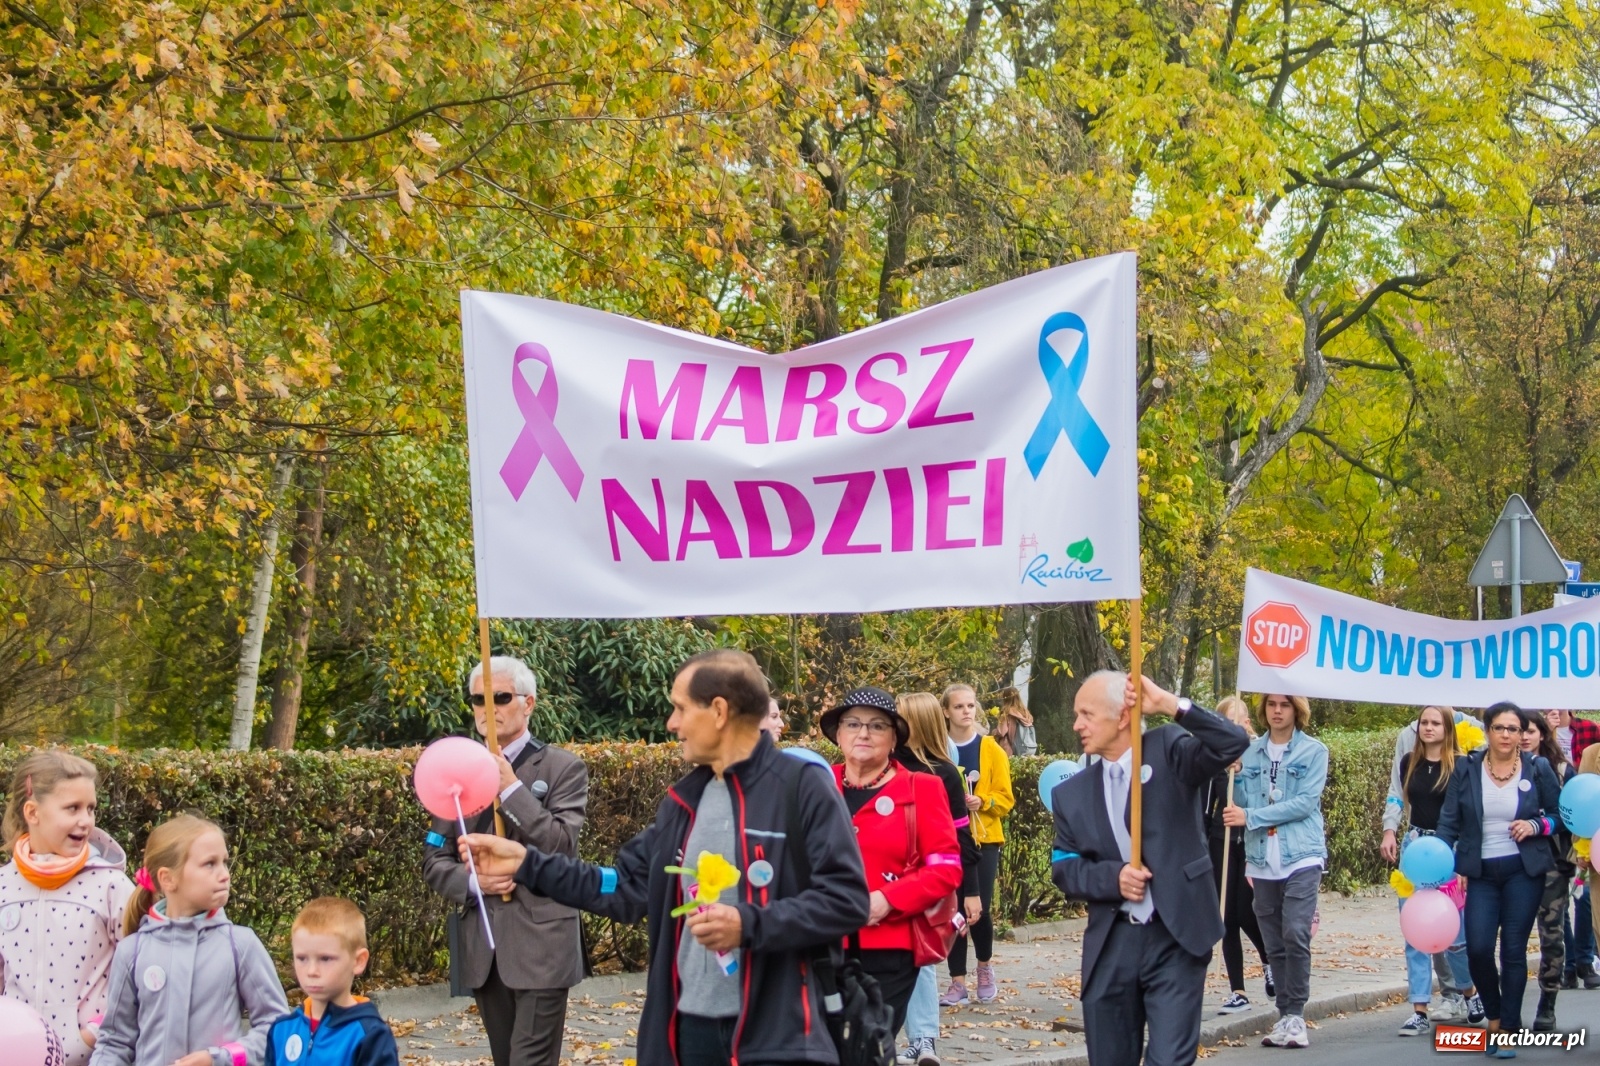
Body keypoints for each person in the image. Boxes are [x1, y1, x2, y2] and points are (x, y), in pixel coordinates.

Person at [456, 649, 870, 1066]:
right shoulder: (682, 803)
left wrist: (749, 923)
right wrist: (528, 865)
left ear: (719, 711)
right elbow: (622, 888)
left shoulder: (802, 787)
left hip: (779, 1039)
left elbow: (846, 900)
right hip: (686, 1035)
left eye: (680, 708)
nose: (672, 723)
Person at [1050, 672, 1250, 1066]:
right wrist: (1113, 877)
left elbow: (1232, 742)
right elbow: (1064, 867)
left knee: (1169, 1060)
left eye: (1087, 714)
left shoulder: (1168, 749)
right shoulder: (1070, 794)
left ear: (1122, 716)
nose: (1077, 725)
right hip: (1112, 944)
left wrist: (1171, 705)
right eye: (1077, 714)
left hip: (1176, 935)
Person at [422, 655, 588, 1066]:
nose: (487, 707)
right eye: (478, 699)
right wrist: (474, 882)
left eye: (500, 696)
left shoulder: (562, 767)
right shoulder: (455, 771)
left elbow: (561, 844)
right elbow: (434, 859)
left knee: (529, 1061)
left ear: (528, 704)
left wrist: (511, 788)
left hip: (543, 944)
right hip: (484, 948)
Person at [90, 814, 289, 1066]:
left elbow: (278, 1028)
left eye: (224, 862)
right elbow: (115, 1043)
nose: (225, 874)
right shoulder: (133, 952)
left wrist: (222, 1058)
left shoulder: (240, 945)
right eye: (209, 864)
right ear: (168, 879)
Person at [821, 688, 962, 1040]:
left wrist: (887, 899)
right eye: (852, 724)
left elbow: (946, 867)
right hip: (818, 941)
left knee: (866, 1048)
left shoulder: (922, 788)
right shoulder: (816, 784)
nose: (863, 733)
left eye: (877, 725)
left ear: (894, 737)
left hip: (889, 947)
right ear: (838, 734)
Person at [1436, 702, 1564, 1056]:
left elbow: (1559, 817)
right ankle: (1493, 1013)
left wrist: (1535, 825)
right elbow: (1449, 820)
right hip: (1480, 873)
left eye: (1513, 729)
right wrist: (1441, 859)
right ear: (1488, 730)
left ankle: (1508, 1026)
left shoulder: (1537, 769)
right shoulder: (1467, 767)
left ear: (1522, 734)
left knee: (1512, 950)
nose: (1507, 735)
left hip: (1523, 870)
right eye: (1499, 728)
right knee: (1477, 948)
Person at [0, 751, 135, 1066]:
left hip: (93, 1058)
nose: (85, 820)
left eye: (90, 808)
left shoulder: (111, 886)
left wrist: (92, 1033)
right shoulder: (3, 885)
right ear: (33, 812)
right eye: (72, 808)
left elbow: (139, 972)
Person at [1223, 694, 1327, 1049]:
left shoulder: (1314, 751)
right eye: (1271, 705)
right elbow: (1236, 802)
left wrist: (1251, 817)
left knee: (1296, 931)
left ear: (1296, 709)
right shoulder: (1250, 754)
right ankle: (1284, 1015)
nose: (1277, 710)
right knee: (1274, 941)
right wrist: (1233, 776)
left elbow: (1304, 803)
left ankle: (1296, 1014)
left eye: (1284, 704)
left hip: (1302, 855)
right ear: (1263, 710)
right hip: (1262, 858)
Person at [1379, 706, 1481, 1035]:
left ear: (1448, 728)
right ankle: (1419, 1008)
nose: (1428, 728)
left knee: (1456, 935)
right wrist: (1390, 830)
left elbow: (1469, 815)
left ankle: (1470, 993)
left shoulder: (1462, 766)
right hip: (1415, 850)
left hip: (1449, 853)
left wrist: (1466, 860)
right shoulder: (1410, 761)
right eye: (1424, 722)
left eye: (1436, 723)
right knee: (1414, 931)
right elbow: (1398, 797)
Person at [893, 693, 980, 1066]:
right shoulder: (885, 765)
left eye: (898, 718)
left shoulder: (944, 772)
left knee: (923, 957)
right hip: (884, 876)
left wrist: (970, 892)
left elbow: (962, 835)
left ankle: (924, 1039)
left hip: (927, 879)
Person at [940, 683, 1014, 1005]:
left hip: (983, 839)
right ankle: (957, 982)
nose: (966, 711)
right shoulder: (939, 749)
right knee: (954, 910)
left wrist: (981, 800)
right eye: (959, 707)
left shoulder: (991, 749)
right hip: (948, 839)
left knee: (978, 908)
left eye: (971, 706)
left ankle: (984, 967)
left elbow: (1006, 799)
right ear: (946, 711)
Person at [267, 897, 400, 1066]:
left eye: (325, 958)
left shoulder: (370, 1035)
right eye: (302, 958)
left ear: (358, 961)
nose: (311, 971)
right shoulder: (282, 1030)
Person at [1203, 697, 1271, 1014]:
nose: (1238, 725)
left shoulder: (1261, 754)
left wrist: (1241, 771)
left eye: (1241, 719)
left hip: (1252, 839)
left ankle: (1270, 958)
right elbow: (1208, 805)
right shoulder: (1213, 756)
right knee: (1226, 915)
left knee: (1246, 909)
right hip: (1222, 838)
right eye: (1230, 720)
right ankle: (1238, 991)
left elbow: (1262, 800)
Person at [1525, 713, 1575, 1031]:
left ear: (1543, 734)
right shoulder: (1497, 769)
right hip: (1512, 863)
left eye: (1531, 731)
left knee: (1551, 934)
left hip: (1552, 863)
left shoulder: (1560, 770)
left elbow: (1573, 817)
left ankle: (1548, 1001)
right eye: (1520, 731)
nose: (1525, 736)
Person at [1545, 709, 1600, 989]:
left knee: (1586, 901)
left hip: (1590, 837)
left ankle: (1583, 961)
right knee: (1573, 909)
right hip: (1589, 855)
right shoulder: (1590, 754)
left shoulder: (1588, 731)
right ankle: (1572, 965)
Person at [992, 687, 1038, 758]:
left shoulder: (1007, 712)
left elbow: (1001, 732)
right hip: (1027, 748)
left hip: (1010, 751)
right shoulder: (1025, 712)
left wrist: (993, 732)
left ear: (1006, 698)